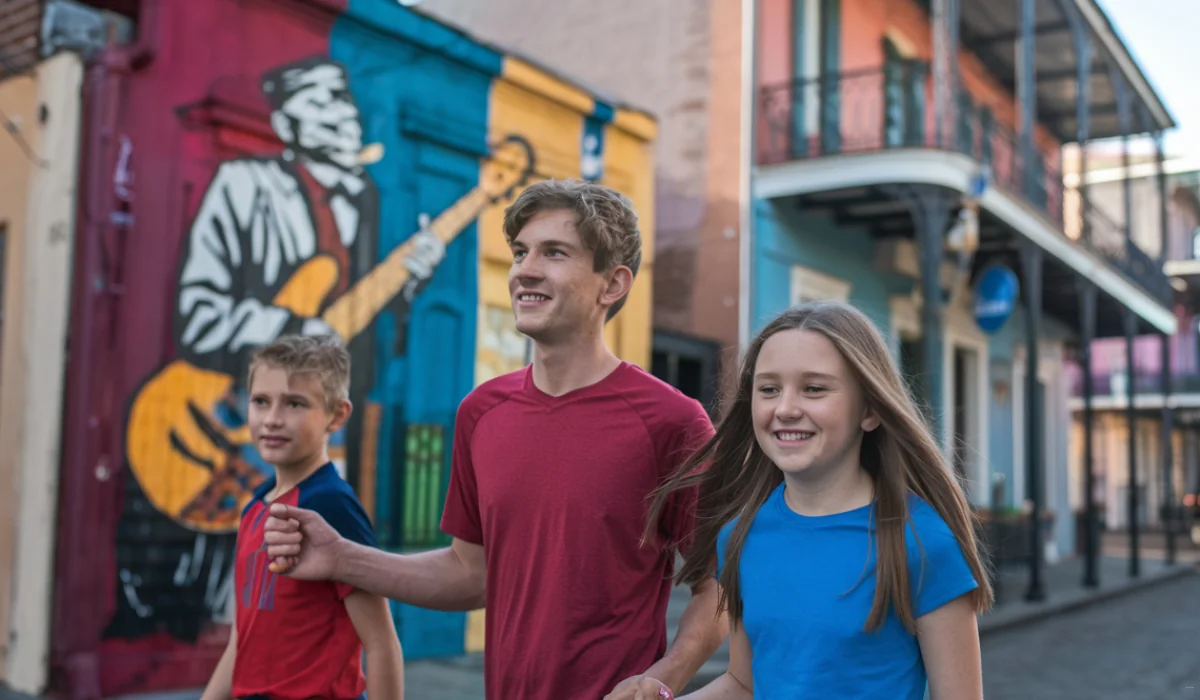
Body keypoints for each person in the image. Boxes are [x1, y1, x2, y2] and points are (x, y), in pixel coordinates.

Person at [263, 179, 728, 700]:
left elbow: (722, 586)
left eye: (555, 253)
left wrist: (660, 681)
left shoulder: (671, 421)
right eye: (520, 252)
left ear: (612, 284)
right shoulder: (481, 412)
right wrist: (342, 557)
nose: (525, 270)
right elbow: (471, 572)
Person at [638, 301, 992, 700]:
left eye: (814, 389)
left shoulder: (922, 542)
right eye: (769, 389)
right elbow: (743, 684)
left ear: (870, 410)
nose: (786, 409)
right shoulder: (739, 536)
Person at [199, 335, 404, 700]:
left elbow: (382, 644)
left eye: (295, 404)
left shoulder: (332, 507)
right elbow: (240, 641)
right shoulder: (256, 507)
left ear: (337, 415)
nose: (273, 419)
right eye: (261, 401)